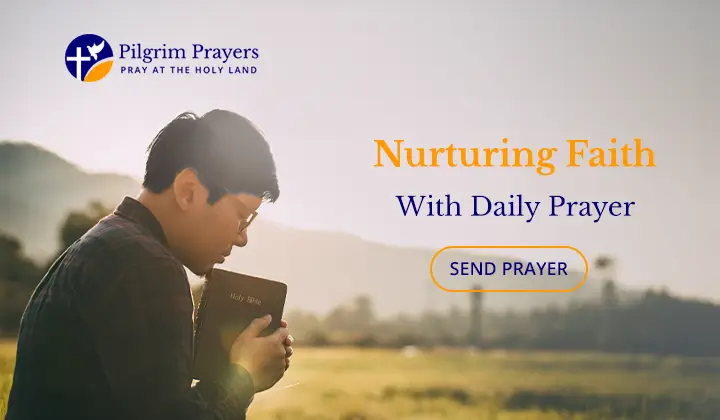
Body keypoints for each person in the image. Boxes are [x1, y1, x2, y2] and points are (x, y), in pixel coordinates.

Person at [6, 110, 293, 420]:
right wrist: (242, 378)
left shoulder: (108, 244)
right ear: (189, 191)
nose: (242, 238)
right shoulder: (146, 266)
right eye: (241, 216)